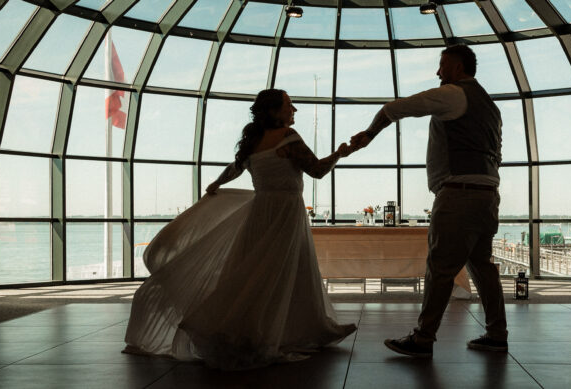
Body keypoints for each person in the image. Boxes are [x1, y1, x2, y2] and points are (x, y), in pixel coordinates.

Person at [123, 89, 356, 370]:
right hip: (286, 212)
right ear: (274, 111)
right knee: (288, 272)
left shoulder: (254, 142)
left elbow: (235, 168)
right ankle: (292, 329)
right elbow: (317, 170)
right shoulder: (288, 138)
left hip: (260, 213)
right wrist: (341, 153)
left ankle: (253, 328)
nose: (294, 110)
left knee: (254, 271)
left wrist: (216, 184)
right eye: (289, 105)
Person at [349, 44, 507, 358]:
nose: (438, 73)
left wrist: (368, 135)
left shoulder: (453, 94)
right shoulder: (490, 106)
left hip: (458, 195)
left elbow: (393, 108)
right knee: (482, 268)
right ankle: (497, 333)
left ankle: (423, 338)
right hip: (487, 197)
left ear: (459, 68)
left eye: (443, 66)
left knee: (440, 267)